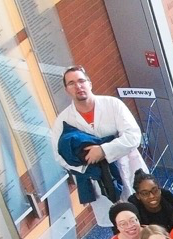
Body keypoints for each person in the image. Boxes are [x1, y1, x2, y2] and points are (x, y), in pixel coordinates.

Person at [50, 65, 146, 204]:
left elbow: (133, 136)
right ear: (66, 90)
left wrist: (103, 151)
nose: (78, 86)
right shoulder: (63, 121)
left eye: (81, 81)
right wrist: (89, 165)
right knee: (119, 221)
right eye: (71, 83)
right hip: (97, 180)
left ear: (90, 84)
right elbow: (59, 156)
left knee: (147, 211)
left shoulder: (113, 104)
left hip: (129, 167)